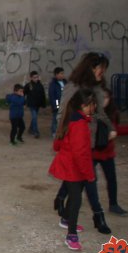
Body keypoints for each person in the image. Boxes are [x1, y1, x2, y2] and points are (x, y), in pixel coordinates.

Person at [53, 52, 117, 235]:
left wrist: (110, 128)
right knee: (86, 179)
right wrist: (62, 136)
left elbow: (100, 114)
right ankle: (90, 219)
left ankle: (64, 210)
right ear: (91, 68)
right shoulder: (73, 87)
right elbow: (60, 110)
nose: (102, 73)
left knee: (79, 182)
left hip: (91, 142)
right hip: (76, 142)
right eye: (100, 69)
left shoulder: (96, 88)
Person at [49, 88, 97, 251]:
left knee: (73, 195)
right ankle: (71, 235)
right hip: (73, 168)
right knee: (76, 200)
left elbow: (58, 142)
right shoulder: (79, 124)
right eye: (92, 105)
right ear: (83, 105)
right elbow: (80, 153)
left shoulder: (72, 118)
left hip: (69, 165)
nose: (94, 107)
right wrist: (89, 174)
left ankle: (65, 219)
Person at [94, 88, 128, 217]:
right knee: (85, 179)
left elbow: (116, 130)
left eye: (106, 97)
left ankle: (113, 204)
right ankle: (66, 199)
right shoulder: (90, 111)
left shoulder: (112, 113)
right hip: (93, 152)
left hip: (107, 153)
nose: (103, 100)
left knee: (112, 179)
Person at [23, 71, 46, 138]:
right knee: (34, 117)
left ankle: (30, 129)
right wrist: (24, 103)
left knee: (34, 118)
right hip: (31, 104)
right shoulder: (28, 85)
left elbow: (42, 95)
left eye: (37, 77)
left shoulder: (40, 85)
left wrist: (43, 104)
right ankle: (36, 132)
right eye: (34, 77)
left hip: (38, 104)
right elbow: (23, 94)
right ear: (31, 78)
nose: (36, 79)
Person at [48, 67, 67, 138]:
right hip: (57, 102)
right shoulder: (53, 84)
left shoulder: (65, 82)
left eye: (63, 73)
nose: (62, 75)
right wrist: (56, 105)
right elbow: (52, 95)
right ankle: (54, 131)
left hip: (65, 103)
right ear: (56, 74)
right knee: (55, 118)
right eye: (61, 73)